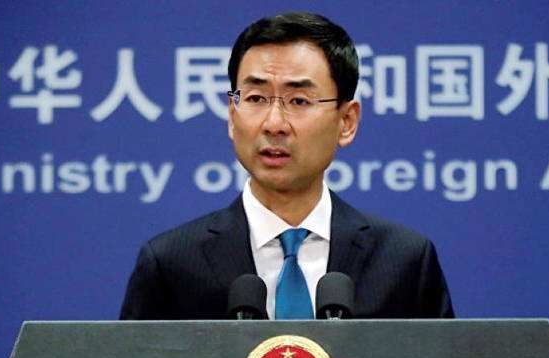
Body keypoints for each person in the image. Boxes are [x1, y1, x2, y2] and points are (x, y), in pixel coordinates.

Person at [120, 12, 454, 320]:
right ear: (232, 116)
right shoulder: (171, 264)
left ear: (347, 122)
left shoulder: (404, 261)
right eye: (255, 98)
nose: (274, 124)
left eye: (299, 101)